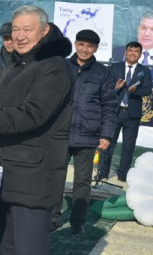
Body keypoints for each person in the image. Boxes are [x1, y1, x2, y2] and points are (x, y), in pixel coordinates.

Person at [0, 5, 74, 255]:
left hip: (31, 177)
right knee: (6, 246)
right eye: (15, 29)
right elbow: (8, 109)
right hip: (8, 170)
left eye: (27, 29)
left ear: (44, 31)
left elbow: (33, 113)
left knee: (27, 248)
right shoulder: (20, 65)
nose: (19, 35)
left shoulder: (53, 67)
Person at [50, 29, 117, 235]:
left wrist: (106, 135)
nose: (84, 49)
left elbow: (109, 106)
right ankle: (53, 219)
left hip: (88, 136)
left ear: (96, 48)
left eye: (89, 46)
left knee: (82, 181)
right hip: (61, 133)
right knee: (56, 177)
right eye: (81, 44)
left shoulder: (103, 73)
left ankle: (77, 221)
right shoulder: (62, 67)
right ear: (76, 44)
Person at [99, 42, 152, 182]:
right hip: (114, 113)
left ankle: (123, 175)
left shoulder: (144, 71)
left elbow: (147, 90)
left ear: (140, 55)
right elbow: (105, 88)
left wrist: (136, 91)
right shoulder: (114, 67)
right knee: (107, 143)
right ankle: (103, 173)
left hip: (132, 114)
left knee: (128, 147)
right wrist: (116, 87)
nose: (133, 53)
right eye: (130, 50)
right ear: (125, 52)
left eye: (136, 51)